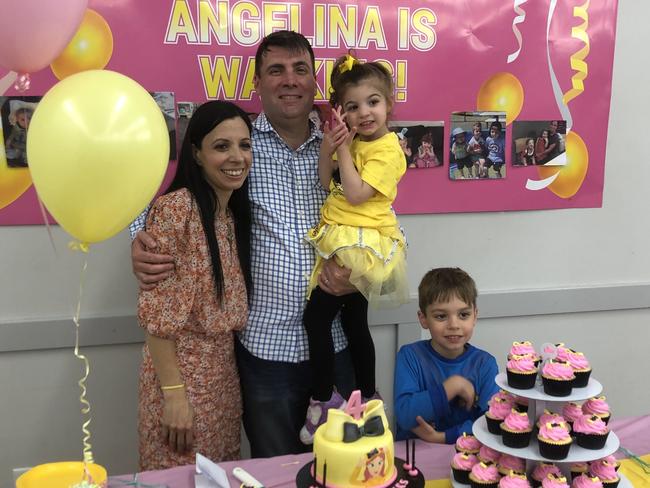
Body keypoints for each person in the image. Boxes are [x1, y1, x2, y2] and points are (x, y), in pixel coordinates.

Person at [130, 30, 356, 457]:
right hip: (264, 353)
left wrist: (360, 272)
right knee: (271, 471)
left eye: (300, 69)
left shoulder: (344, 143)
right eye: (276, 70)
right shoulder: (237, 145)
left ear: (315, 82)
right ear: (257, 84)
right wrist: (137, 243)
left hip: (334, 344)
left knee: (338, 470)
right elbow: (178, 205)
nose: (289, 79)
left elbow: (378, 215)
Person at [299, 54, 409, 444]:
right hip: (344, 233)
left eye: (373, 102)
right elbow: (326, 180)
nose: (364, 113)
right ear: (341, 111)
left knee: (315, 320)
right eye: (352, 106)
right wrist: (330, 145)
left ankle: (322, 398)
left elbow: (359, 194)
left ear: (389, 104)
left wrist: (344, 150)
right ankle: (368, 397)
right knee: (353, 323)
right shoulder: (356, 142)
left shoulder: (387, 149)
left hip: (361, 242)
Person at [137, 101, 253, 469]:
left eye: (244, 145)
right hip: (181, 380)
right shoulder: (178, 210)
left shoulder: (232, 213)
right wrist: (174, 395)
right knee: (178, 475)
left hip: (222, 378)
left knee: (217, 474)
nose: (237, 156)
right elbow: (159, 319)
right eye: (222, 146)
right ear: (197, 155)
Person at [393, 267, 499, 443]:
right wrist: (452, 386)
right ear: (423, 318)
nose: (454, 325)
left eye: (463, 315)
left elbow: (489, 422)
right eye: (441, 316)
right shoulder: (410, 356)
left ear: (475, 316)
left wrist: (442, 437)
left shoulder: (485, 364)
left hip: (469, 458)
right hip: (415, 459)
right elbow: (405, 415)